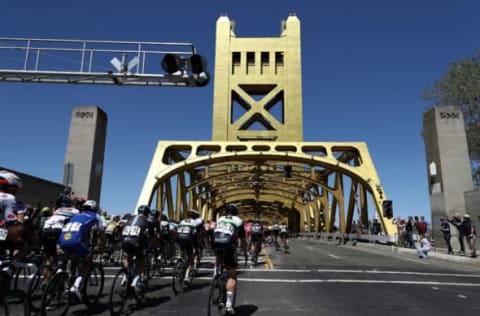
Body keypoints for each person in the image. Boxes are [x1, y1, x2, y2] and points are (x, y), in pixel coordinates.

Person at [58, 200, 105, 299]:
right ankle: (76, 285)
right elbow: (101, 233)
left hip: (63, 239)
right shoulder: (96, 216)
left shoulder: (76, 215)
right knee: (86, 261)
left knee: (73, 259)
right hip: (77, 241)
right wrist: (101, 246)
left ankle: (64, 278)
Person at [212, 204, 247, 315]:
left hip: (215, 243)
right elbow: (243, 239)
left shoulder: (220, 219)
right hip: (228, 246)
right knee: (232, 276)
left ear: (226, 212)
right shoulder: (239, 221)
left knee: (218, 252)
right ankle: (228, 305)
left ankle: (216, 272)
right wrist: (244, 250)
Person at [121, 205, 154, 291]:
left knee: (128, 257)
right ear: (147, 213)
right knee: (141, 259)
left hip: (124, 241)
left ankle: (125, 276)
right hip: (135, 242)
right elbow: (151, 236)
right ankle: (136, 280)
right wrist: (151, 247)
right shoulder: (148, 220)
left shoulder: (130, 217)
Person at [0, 170, 26, 260]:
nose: (15, 193)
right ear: (9, 186)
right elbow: (11, 223)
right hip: (1, 234)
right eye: (15, 190)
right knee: (24, 246)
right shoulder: (9, 198)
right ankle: (10, 268)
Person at [175, 209, 204, 285]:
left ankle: (179, 258)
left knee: (182, 247)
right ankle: (186, 277)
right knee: (191, 258)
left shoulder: (182, 221)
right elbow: (196, 234)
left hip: (178, 238)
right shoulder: (195, 222)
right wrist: (197, 245)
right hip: (188, 239)